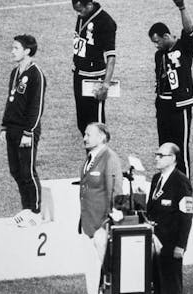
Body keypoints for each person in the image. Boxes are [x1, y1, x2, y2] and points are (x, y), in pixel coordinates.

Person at [49, 0, 117, 136]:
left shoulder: (106, 22)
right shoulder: (80, 0)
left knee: (96, 124)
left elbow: (111, 57)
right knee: (82, 124)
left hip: (94, 77)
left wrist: (105, 84)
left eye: (80, 11)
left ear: (89, 5)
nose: (78, 14)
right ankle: (91, 157)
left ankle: (100, 162)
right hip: (78, 74)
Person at [148, 0, 193, 179]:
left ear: (166, 35)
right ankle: (168, 186)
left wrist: (181, 7)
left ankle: (186, 192)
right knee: (165, 148)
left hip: (180, 106)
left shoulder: (184, 47)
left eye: (158, 41)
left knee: (180, 150)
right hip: (163, 106)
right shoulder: (159, 55)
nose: (156, 46)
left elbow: (189, 29)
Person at [0, 34, 46, 227]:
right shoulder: (15, 72)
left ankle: (36, 211)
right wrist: (4, 125)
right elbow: (10, 101)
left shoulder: (36, 74)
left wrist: (29, 132)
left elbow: (37, 106)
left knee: (27, 171)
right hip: (12, 128)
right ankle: (26, 207)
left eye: (16, 48)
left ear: (27, 51)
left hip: (27, 131)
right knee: (15, 170)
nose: (12, 51)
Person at [79, 122, 123, 294]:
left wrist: (109, 223)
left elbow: (116, 191)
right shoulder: (91, 157)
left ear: (102, 137)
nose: (84, 138)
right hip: (88, 224)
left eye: (88, 135)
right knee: (91, 270)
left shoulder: (109, 158)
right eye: (85, 134)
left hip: (102, 226)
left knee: (109, 272)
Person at [147, 142, 193, 294]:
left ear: (172, 158)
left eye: (161, 155)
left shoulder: (181, 182)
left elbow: (186, 216)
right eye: (156, 155)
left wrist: (181, 245)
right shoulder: (156, 179)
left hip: (171, 243)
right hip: (155, 241)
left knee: (171, 285)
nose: (156, 159)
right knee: (157, 284)